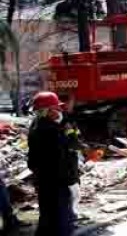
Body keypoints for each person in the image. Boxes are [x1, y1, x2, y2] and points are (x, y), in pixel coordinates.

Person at [28, 91, 78, 236]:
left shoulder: (38, 125)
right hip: (56, 181)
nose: (59, 110)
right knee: (60, 220)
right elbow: (63, 155)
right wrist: (70, 179)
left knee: (47, 217)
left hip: (45, 180)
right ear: (47, 111)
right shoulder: (50, 131)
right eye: (56, 108)